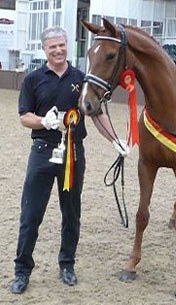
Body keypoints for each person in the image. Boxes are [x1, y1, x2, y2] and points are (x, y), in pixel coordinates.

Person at [10, 26, 129, 294]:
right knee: (31, 215)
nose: (58, 50)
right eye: (52, 46)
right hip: (42, 152)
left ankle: (67, 265)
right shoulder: (32, 80)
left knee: (71, 214)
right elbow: (23, 116)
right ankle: (22, 270)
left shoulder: (81, 78)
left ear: (68, 46)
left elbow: (96, 113)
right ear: (44, 50)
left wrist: (115, 140)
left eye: (62, 45)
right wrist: (43, 121)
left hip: (74, 153)